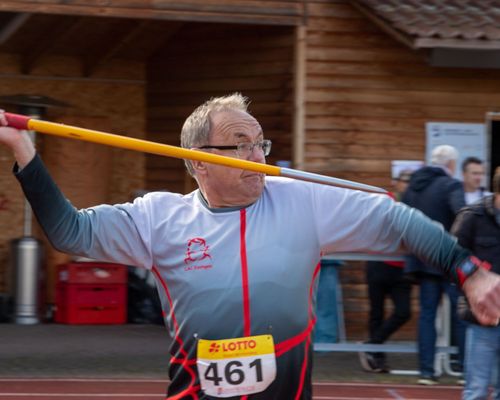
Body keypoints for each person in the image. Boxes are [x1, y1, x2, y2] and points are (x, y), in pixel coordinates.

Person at [1, 95, 500, 399]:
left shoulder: (305, 203)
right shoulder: (158, 217)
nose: (257, 155)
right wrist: (24, 152)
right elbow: (70, 233)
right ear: (197, 162)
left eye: (261, 143)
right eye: (240, 144)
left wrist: (469, 270)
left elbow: (401, 221)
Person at [402, 145, 467, 385]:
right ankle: (463, 368)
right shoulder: (451, 185)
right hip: (447, 259)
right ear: (451, 164)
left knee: (427, 315)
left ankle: (426, 371)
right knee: (460, 313)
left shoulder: (414, 186)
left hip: (421, 258)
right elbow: (461, 214)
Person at [452, 166, 500, 400]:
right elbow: (450, 258)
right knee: (477, 391)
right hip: (482, 320)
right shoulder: (472, 216)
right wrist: (476, 281)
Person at [358, 170, 413, 373]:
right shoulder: (387, 199)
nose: (407, 185)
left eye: (410, 181)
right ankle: (376, 358)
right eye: (404, 180)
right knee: (376, 313)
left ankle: (372, 344)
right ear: (396, 182)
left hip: (402, 269)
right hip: (379, 264)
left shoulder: (416, 203)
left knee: (403, 312)